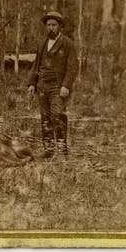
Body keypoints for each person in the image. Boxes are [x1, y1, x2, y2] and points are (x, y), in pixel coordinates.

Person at [28, 11, 78, 158]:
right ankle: (49, 149)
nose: (51, 28)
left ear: (60, 26)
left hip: (58, 87)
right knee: (45, 117)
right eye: (48, 25)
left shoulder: (67, 44)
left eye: (54, 25)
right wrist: (32, 83)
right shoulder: (42, 43)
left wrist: (66, 85)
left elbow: (73, 67)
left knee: (57, 115)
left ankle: (62, 149)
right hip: (42, 86)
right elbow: (36, 65)